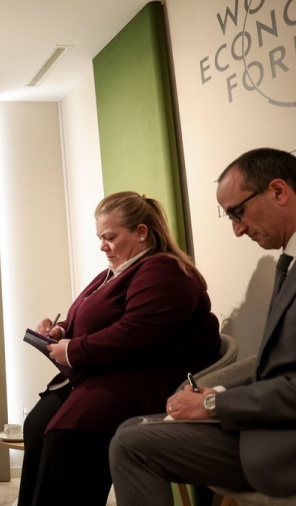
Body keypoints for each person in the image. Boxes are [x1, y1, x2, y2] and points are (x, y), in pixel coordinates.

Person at [110, 148, 296, 504]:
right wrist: (216, 393)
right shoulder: (287, 263)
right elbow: (274, 370)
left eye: (238, 213)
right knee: (131, 429)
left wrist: (214, 405)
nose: (238, 230)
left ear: (277, 191)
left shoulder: (163, 270)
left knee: (131, 442)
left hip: (282, 444)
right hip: (267, 424)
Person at [18, 191, 222, 506]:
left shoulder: (163, 270)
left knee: (66, 437)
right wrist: (61, 329)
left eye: (110, 237)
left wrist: (72, 350)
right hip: (108, 372)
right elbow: (89, 316)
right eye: (100, 238)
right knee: (36, 426)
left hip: (143, 380)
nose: (102, 246)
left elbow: (137, 334)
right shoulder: (114, 271)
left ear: (141, 232)